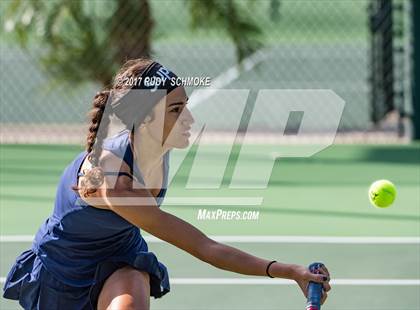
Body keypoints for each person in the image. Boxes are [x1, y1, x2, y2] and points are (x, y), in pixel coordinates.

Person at [3, 58, 331, 310]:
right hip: (63, 269)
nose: (188, 119)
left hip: (120, 257)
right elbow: (205, 247)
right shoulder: (113, 179)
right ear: (144, 119)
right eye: (176, 109)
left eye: (185, 105)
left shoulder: (156, 145)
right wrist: (287, 270)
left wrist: (292, 273)